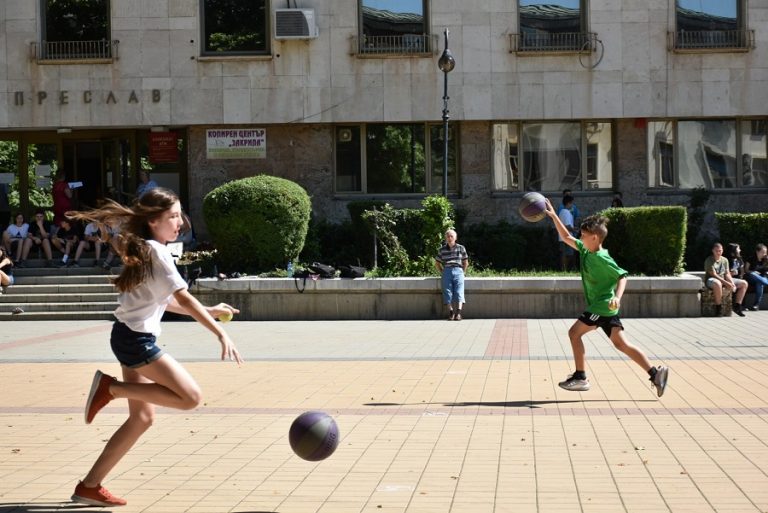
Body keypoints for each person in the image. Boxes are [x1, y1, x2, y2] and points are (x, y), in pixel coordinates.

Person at [67, 187, 242, 507]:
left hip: (127, 336)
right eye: (172, 216)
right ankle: (112, 388)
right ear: (153, 221)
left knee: (142, 418)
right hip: (135, 341)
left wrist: (211, 312)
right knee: (190, 397)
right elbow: (184, 297)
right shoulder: (157, 252)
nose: (180, 222)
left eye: (179, 215)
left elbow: (164, 300)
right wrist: (218, 332)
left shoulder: (147, 249)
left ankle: (89, 487)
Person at [544, 202, 669, 397]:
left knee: (574, 333)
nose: (580, 238)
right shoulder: (586, 250)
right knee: (621, 344)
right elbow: (566, 237)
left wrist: (618, 298)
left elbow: (623, 276)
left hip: (602, 306)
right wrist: (553, 216)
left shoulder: (603, 258)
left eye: (583, 236)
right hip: (604, 308)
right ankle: (655, 374)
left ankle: (580, 377)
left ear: (594, 238)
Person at [704, 242, 748, 317]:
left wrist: (732, 283)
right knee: (717, 283)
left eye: (720, 251)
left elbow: (727, 274)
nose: (718, 252)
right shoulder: (709, 260)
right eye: (716, 251)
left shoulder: (725, 260)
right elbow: (714, 275)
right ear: (713, 251)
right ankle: (719, 308)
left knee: (744, 283)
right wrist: (726, 283)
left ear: (722, 251)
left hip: (723, 279)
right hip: (712, 280)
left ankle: (737, 306)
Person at [435, 229, 469, 321]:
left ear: (455, 238)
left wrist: (463, 272)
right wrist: (442, 272)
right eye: (448, 236)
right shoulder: (442, 250)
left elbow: (465, 262)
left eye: (451, 236)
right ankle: (451, 313)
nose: (449, 238)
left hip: (458, 270)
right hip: (447, 270)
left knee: (459, 291)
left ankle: (458, 313)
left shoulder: (461, 248)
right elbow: (437, 263)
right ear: (445, 238)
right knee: (447, 292)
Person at [744, 243, 768, 311]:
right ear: (757, 252)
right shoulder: (751, 258)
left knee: (760, 284)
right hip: (752, 277)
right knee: (754, 275)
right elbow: (746, 270)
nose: (764, 254)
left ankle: (756, 305)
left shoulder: (765, 260)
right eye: (763, 252)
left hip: (762, 278)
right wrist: (752, 272)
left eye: (765, 252)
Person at [558, 195, 576, 271]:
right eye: (572, 203)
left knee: (566, 254)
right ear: (568, 203)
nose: (572, 205)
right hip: (566, 237)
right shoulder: (566, 212)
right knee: (567, 255)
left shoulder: (562, 212)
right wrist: (575, 230)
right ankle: (564, 269)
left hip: (563, 237)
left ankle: (565, 269)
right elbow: (567, 226)